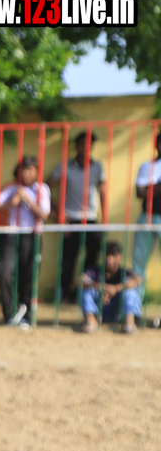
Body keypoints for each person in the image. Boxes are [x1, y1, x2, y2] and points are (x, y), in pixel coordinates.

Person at [0, 156, 50, 327]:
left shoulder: (42, 189)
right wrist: (11, 203)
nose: (26, 173)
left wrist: (27, 199)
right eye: (23, 169)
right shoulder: (12, 188)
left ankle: (26, 314)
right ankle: (11, 314)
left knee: (29, 276)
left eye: (30, 170)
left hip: (32, 236)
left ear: (36, 172)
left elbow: (44, 215)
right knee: (5, 274)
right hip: (12, 236)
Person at [48, 131, 107, 303]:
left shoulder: (98, 166)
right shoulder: (65, 165)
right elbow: (46, 187)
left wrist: (104, 220)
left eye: (89, 144)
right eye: (82, 143)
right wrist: (59, 212)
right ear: (76, 146)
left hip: (91, 218)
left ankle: (84, 293)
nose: (86, 147)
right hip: (70, 219)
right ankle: (65, 295)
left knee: (93, 256)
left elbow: (103, 192)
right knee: (68, 258)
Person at [81, 241, 142, 334]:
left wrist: (115, 288)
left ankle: (129, 323)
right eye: (106, 255)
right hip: (99, 310)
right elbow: (79, 281)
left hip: (118, 312)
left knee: (130, 290)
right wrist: (103, 288)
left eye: (113, 256)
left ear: (119, 257)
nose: (109, 259)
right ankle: (91, 321)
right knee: (86, 289)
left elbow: (138, 280)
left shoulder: (123, 271)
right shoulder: (94, 270)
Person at [130, 131, 161, 306]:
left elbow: (146, 190)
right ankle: (135, 306)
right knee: (139, 261)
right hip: (147, 217)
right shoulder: (147, 166)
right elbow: (140, 193)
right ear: (157, 145)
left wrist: (152, 188)